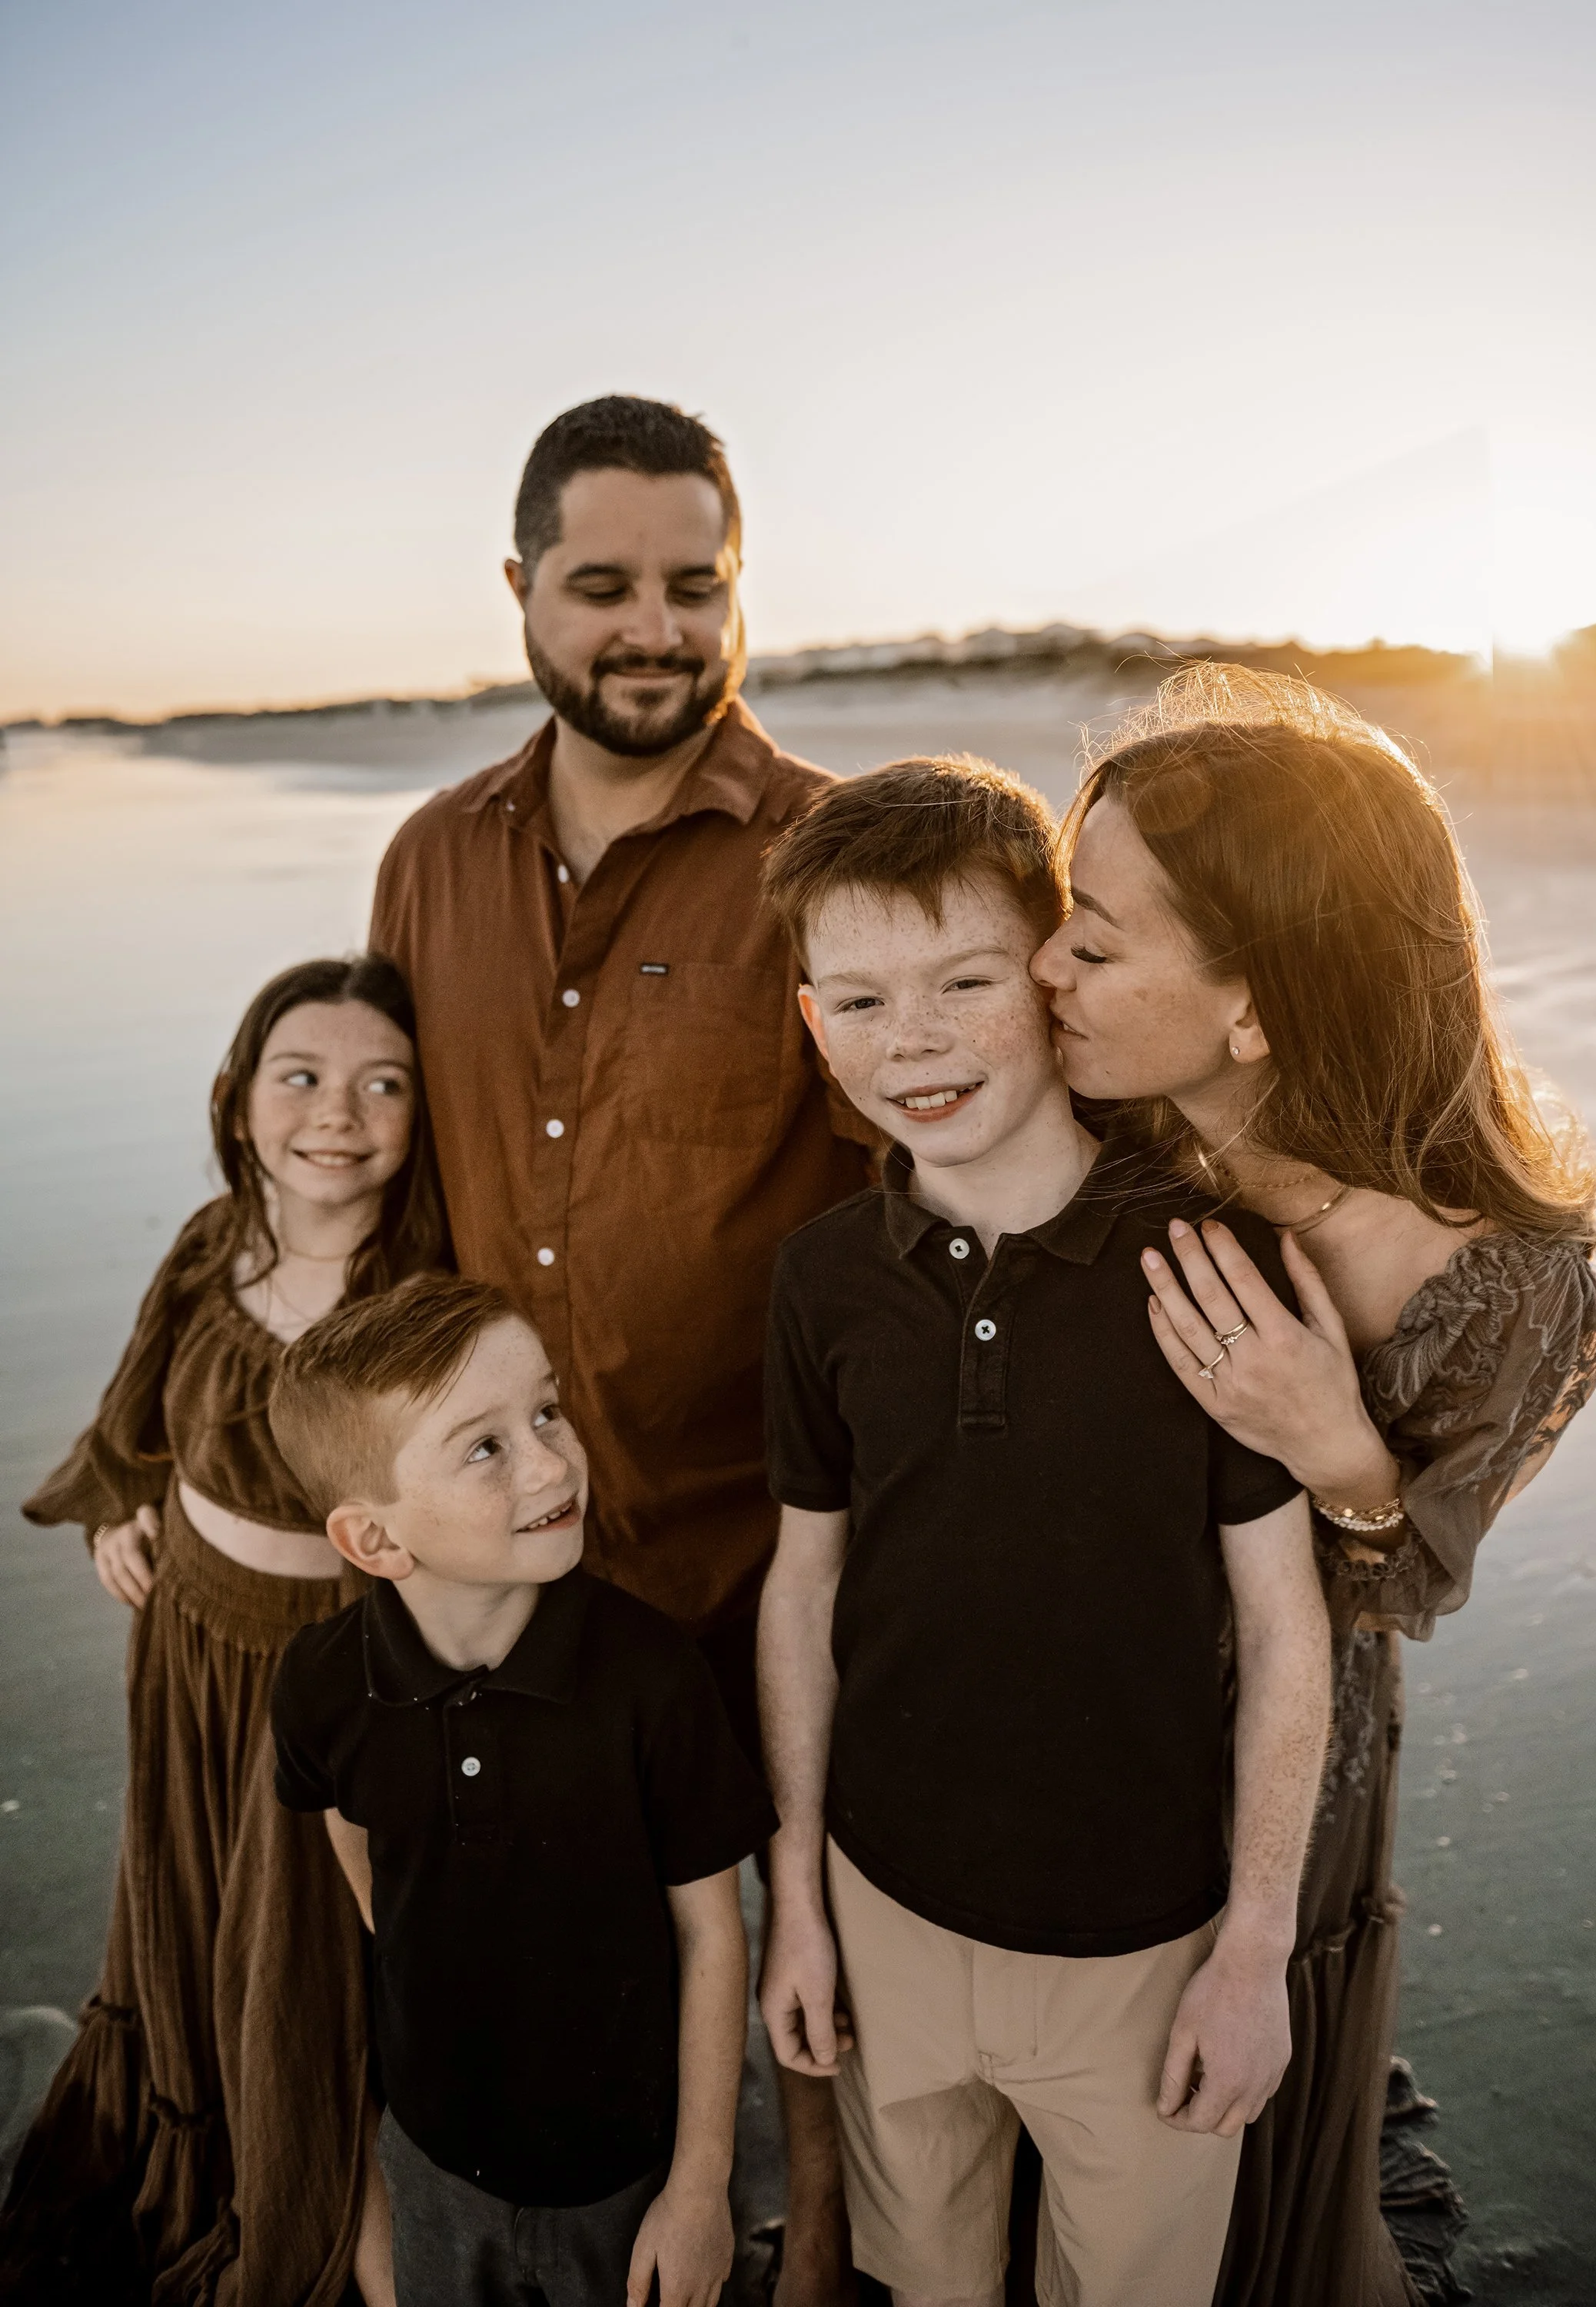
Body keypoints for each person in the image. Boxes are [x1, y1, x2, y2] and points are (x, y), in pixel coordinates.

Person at [368, 392, 876, 2299]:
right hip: (506, 1552)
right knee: (545, 1939)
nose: (656, 629)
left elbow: (926, 1198)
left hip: (773, 1547)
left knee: (806, 1928)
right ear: (519, 587)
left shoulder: (831, 854)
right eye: (603, 587)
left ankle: (817, 2254)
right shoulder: (429, 859)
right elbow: (385, 1201)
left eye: (696, 584)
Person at [1031, 665, 1596, 2306]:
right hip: (1049, 1734)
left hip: (1274, 1773)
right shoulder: (1092, 1146)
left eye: (1095, 940)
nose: (1044, 965)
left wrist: (1330, 1441)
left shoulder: (1502, 1288)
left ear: (1257, 1009)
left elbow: (1405, 1587)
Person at [754, 757, 1333, 2307]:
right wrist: (798, 1905)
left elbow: (1286, 1623)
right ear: (812, 1020)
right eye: (860, 1001)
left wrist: (1254, 1946)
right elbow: (803, 1592)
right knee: (926, 2278)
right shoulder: (820, 1282)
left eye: (965, 981)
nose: (914, 1040)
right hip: (885, 1909)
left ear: (1052, 977)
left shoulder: (1205, 1262)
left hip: (1145, 1942)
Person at [2, 955, 450, 2307]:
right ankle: (182, 2167)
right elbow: (139, 1413)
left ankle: (310, 2223)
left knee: (299, 1961)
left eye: (383, 1085)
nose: (338, 1114)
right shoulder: (214, 1245)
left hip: (330, 1675)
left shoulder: (418, 1296)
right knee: (187, 1921)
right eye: (299, 1076)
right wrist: (119, 1507)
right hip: (187, 1650)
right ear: (239, 1099)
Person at [267, 1272, 776, 2307]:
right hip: (433, 2158)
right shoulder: (321, 1684)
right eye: (485, 1447)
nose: (552, 1462)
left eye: (546, 1411)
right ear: (374, 1539)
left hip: (626, 2175)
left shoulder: (652, 1678)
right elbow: (357, 1852)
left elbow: (711, 1937)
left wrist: (698, 2187)